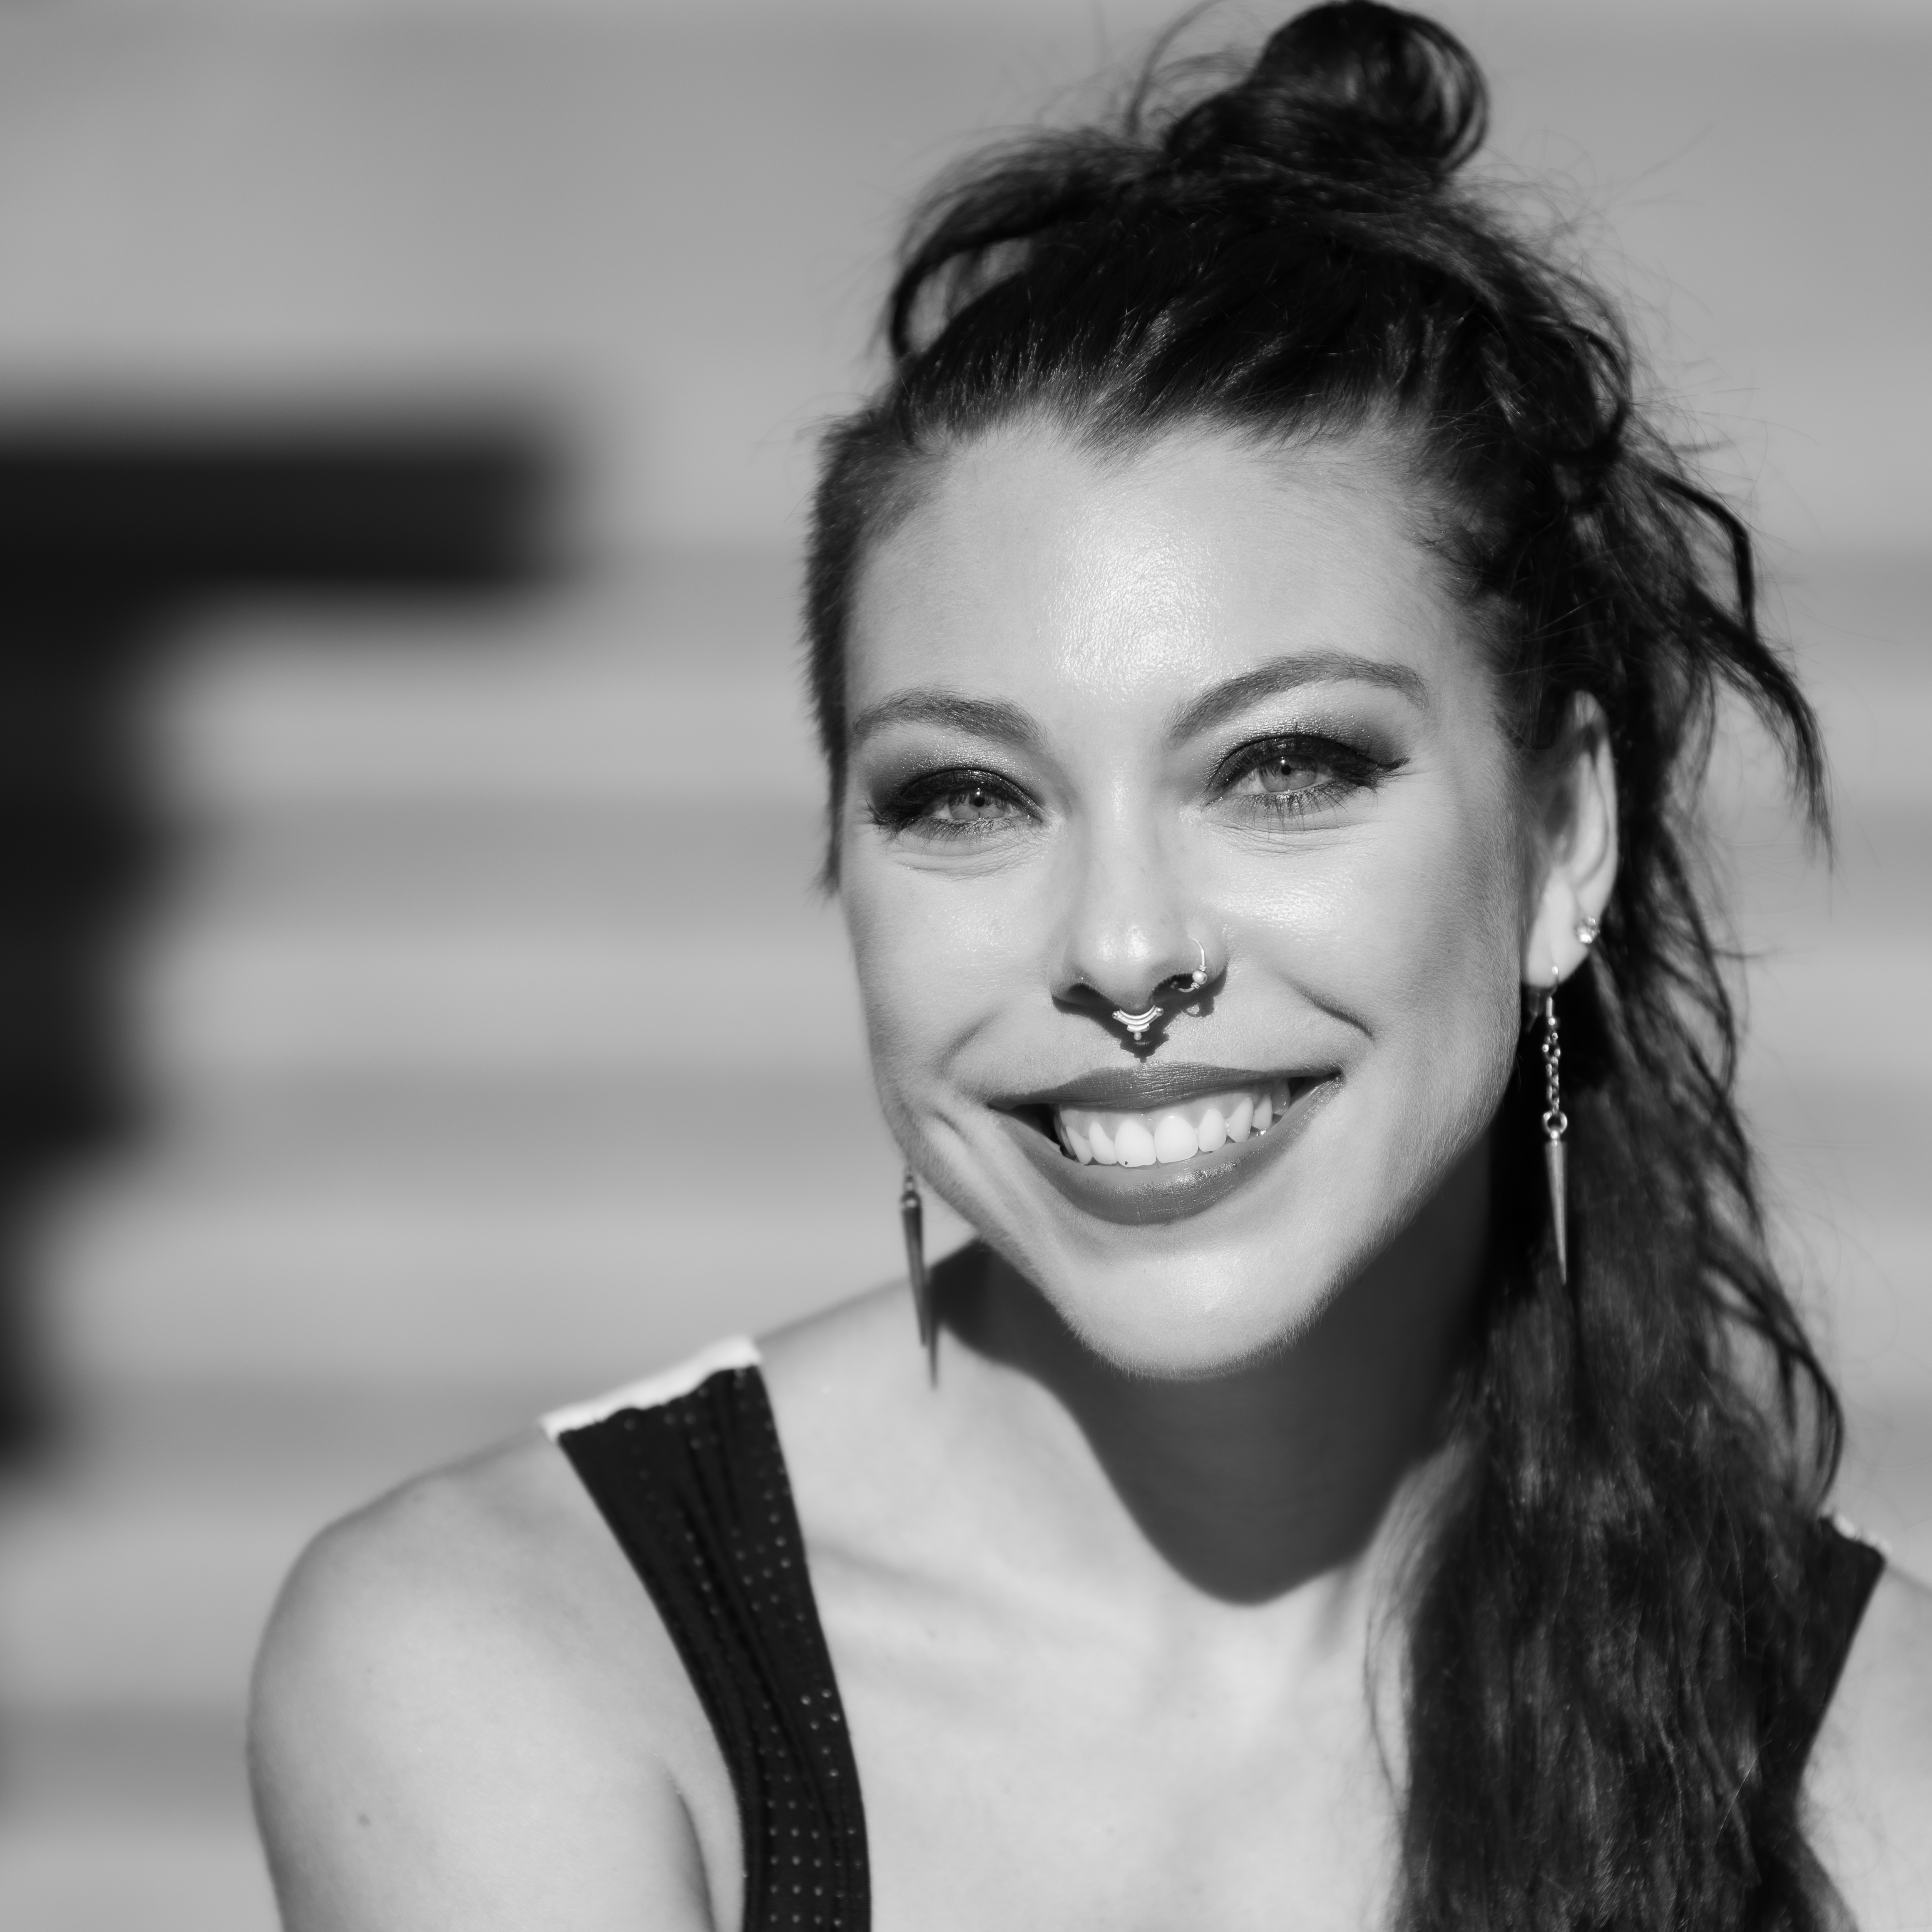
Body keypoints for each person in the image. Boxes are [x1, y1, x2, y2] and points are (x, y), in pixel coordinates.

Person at [247, 5, 1932, 1927]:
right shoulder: (522, 1660)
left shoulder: (1875, 1770)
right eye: (967, 795)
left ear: (1562, 839)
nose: (1122, 949)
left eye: (1284, 769)